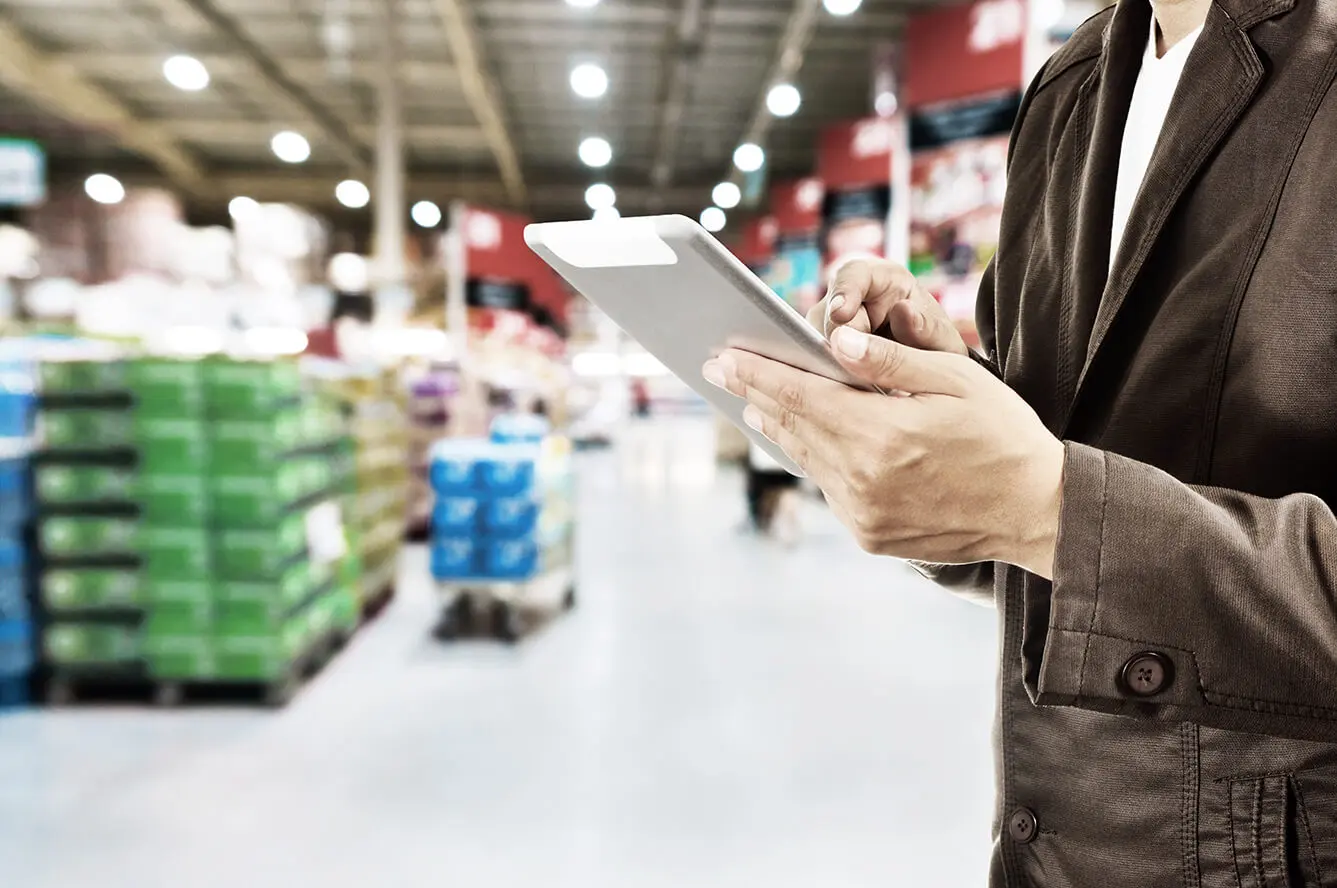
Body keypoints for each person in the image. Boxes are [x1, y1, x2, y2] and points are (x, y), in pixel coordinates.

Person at [703, 0, 1337, 884]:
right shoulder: (1073, 85)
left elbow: (1060, 498)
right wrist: (937, 392)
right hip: (1053, 840)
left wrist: (1052, 507)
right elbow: (1063, 457)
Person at [743, 440, 802, 546]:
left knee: (772, 500)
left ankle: (778, 530)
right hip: (783, 457)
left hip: (764, 459)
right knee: (788, 494)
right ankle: (788, 531)